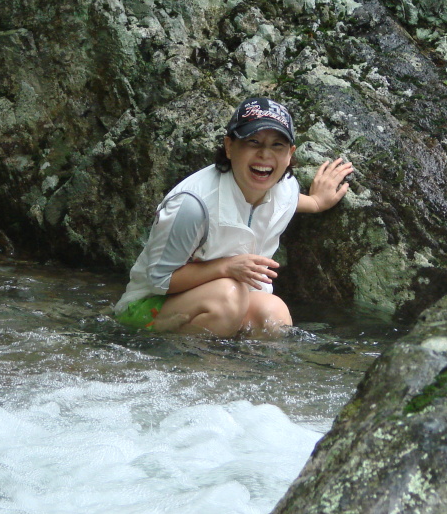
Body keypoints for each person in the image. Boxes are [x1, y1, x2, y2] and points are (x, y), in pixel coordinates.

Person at [113, 96, 353, 337]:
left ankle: (241, 372)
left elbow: (283, 200)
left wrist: (316, 202)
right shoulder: (192, 206)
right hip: (145, 310)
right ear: (229, 146)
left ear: (290, 154)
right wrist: (226, 267)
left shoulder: (286, 188)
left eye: (277, 145)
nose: (265, 154)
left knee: (273, 313)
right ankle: (190, 369)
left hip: (227, 302)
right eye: (253, 142)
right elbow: (159, 280)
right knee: (227, 295)